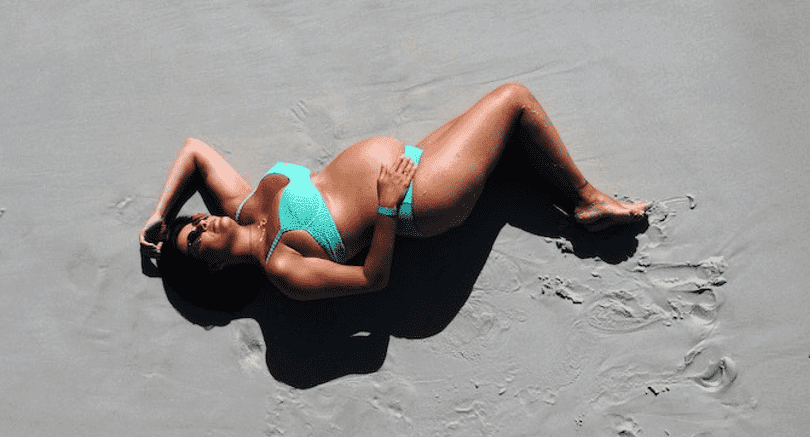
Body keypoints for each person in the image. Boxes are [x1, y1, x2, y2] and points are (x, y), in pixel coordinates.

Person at [140, 83, 649, 301]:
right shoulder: (281, 268)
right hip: (416, 199)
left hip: (410, 163)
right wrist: (386, 202)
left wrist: (163, 217)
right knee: (513, 101)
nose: (202, 222)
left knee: (503, 139)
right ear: (214, 265)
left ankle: (545, 177)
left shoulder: (246, 207)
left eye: (195, 221)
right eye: (195, 240)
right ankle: (584, 200)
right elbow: (372, 278)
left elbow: (194, 151)